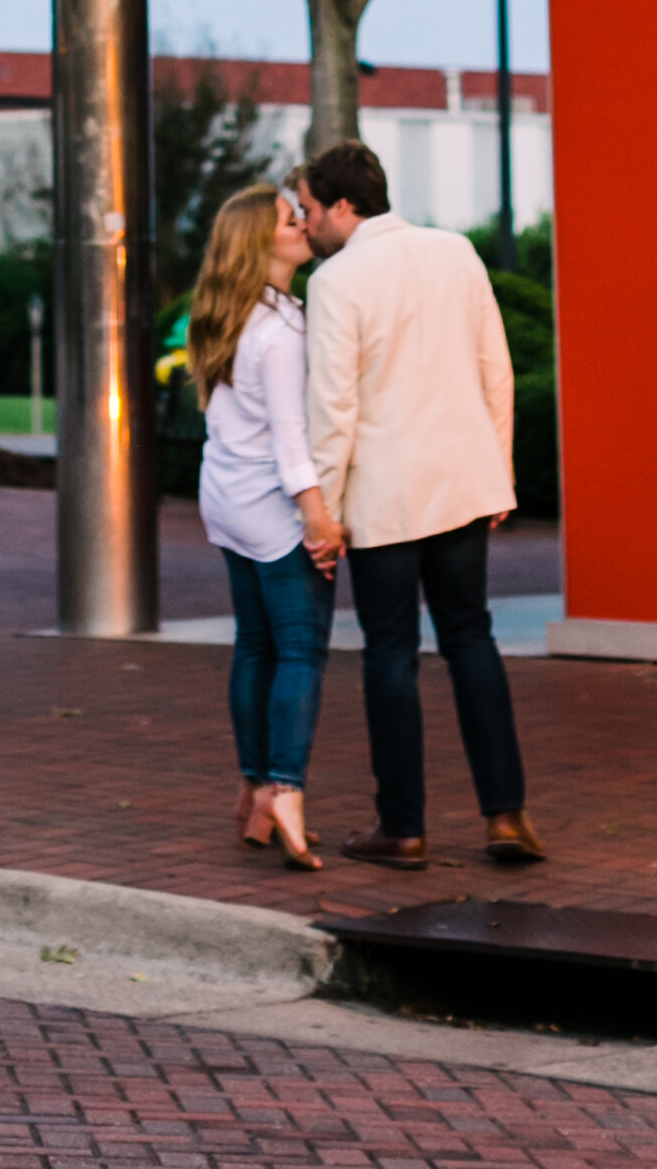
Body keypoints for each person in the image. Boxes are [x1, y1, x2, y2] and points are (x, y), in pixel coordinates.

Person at [297, 135, 546, 873]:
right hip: (463, 483)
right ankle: (506, 816)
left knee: (391, 652)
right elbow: (493, 366)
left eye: (310, 209)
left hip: (386, 497)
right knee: (471, 638)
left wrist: (325, 510)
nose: (306, 225)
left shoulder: (337, 283)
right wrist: (497, 469)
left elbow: (333, 407)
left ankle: (403, 827)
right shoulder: (456, 253)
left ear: (343, 205)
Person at [189, 182, 344, 871]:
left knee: (254, 646)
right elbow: (290, 437)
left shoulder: (230, 314)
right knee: (301, 651)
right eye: (291, 219)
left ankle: (254, 787)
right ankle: (286, 789)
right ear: (264, 242)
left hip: (226, 497)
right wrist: (319, 519)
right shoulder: (280, 331)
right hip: (274, 506)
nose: (305, 225)